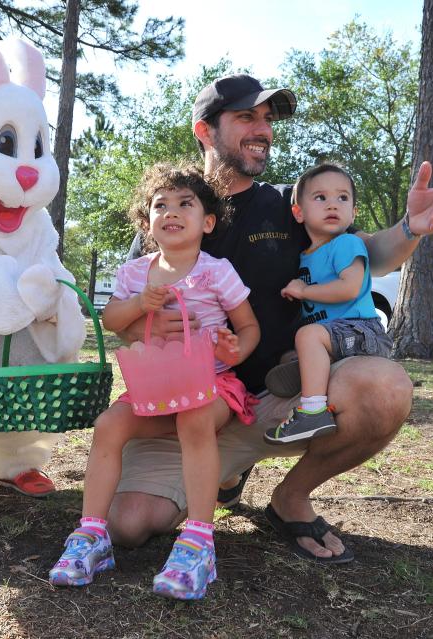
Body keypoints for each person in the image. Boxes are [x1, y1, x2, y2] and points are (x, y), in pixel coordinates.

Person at [108, 74, 433, 564]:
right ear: (204, 130)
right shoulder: (167, 215)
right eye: (246, 117)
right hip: (184, 407)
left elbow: (367, 256)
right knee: (128, 527)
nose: (263, 129)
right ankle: (224, 473)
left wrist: (411, 227)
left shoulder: (289, 205)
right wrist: (137, 325)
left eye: (267, 119)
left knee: (383, 387)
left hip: (275, 403)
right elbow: (126, 314)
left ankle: (290, 498)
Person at [49, 162, 260, 600]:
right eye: (161, 205)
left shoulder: (216, 271)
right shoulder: (134, 274)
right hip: (155, 390)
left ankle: (199, 541)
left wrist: (235, 349)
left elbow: (249, 326)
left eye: (186, 203)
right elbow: (110, 320)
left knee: (194, 419)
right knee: (110, 424)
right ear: (147, 223)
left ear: (208, 221)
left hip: (211, 386)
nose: (172, 212)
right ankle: (92, 534)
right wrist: (140, 305)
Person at [263, 162, 392, 444]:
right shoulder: (305, 256)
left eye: (342, 198)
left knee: (307, 336)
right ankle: (312, 374)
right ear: (298, 212)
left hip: (363, 331)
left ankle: (312, 412)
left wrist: (305, 291)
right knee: (292, 353)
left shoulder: (346, 244)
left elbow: (349, 288)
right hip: (336, 335)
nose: (332, 204)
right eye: (320, 197)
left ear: (354, 212)